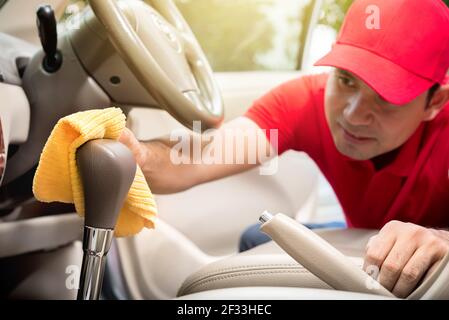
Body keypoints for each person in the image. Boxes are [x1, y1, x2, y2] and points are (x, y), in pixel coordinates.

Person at [119, 0, 449, 298]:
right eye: (346, 80)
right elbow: (201, 156)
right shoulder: (308, 102)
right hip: (366, 241)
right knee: (256, 237)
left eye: (386, 97)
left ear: (435, 101)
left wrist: (440, 240)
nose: (352, 115)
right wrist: (136, 154)